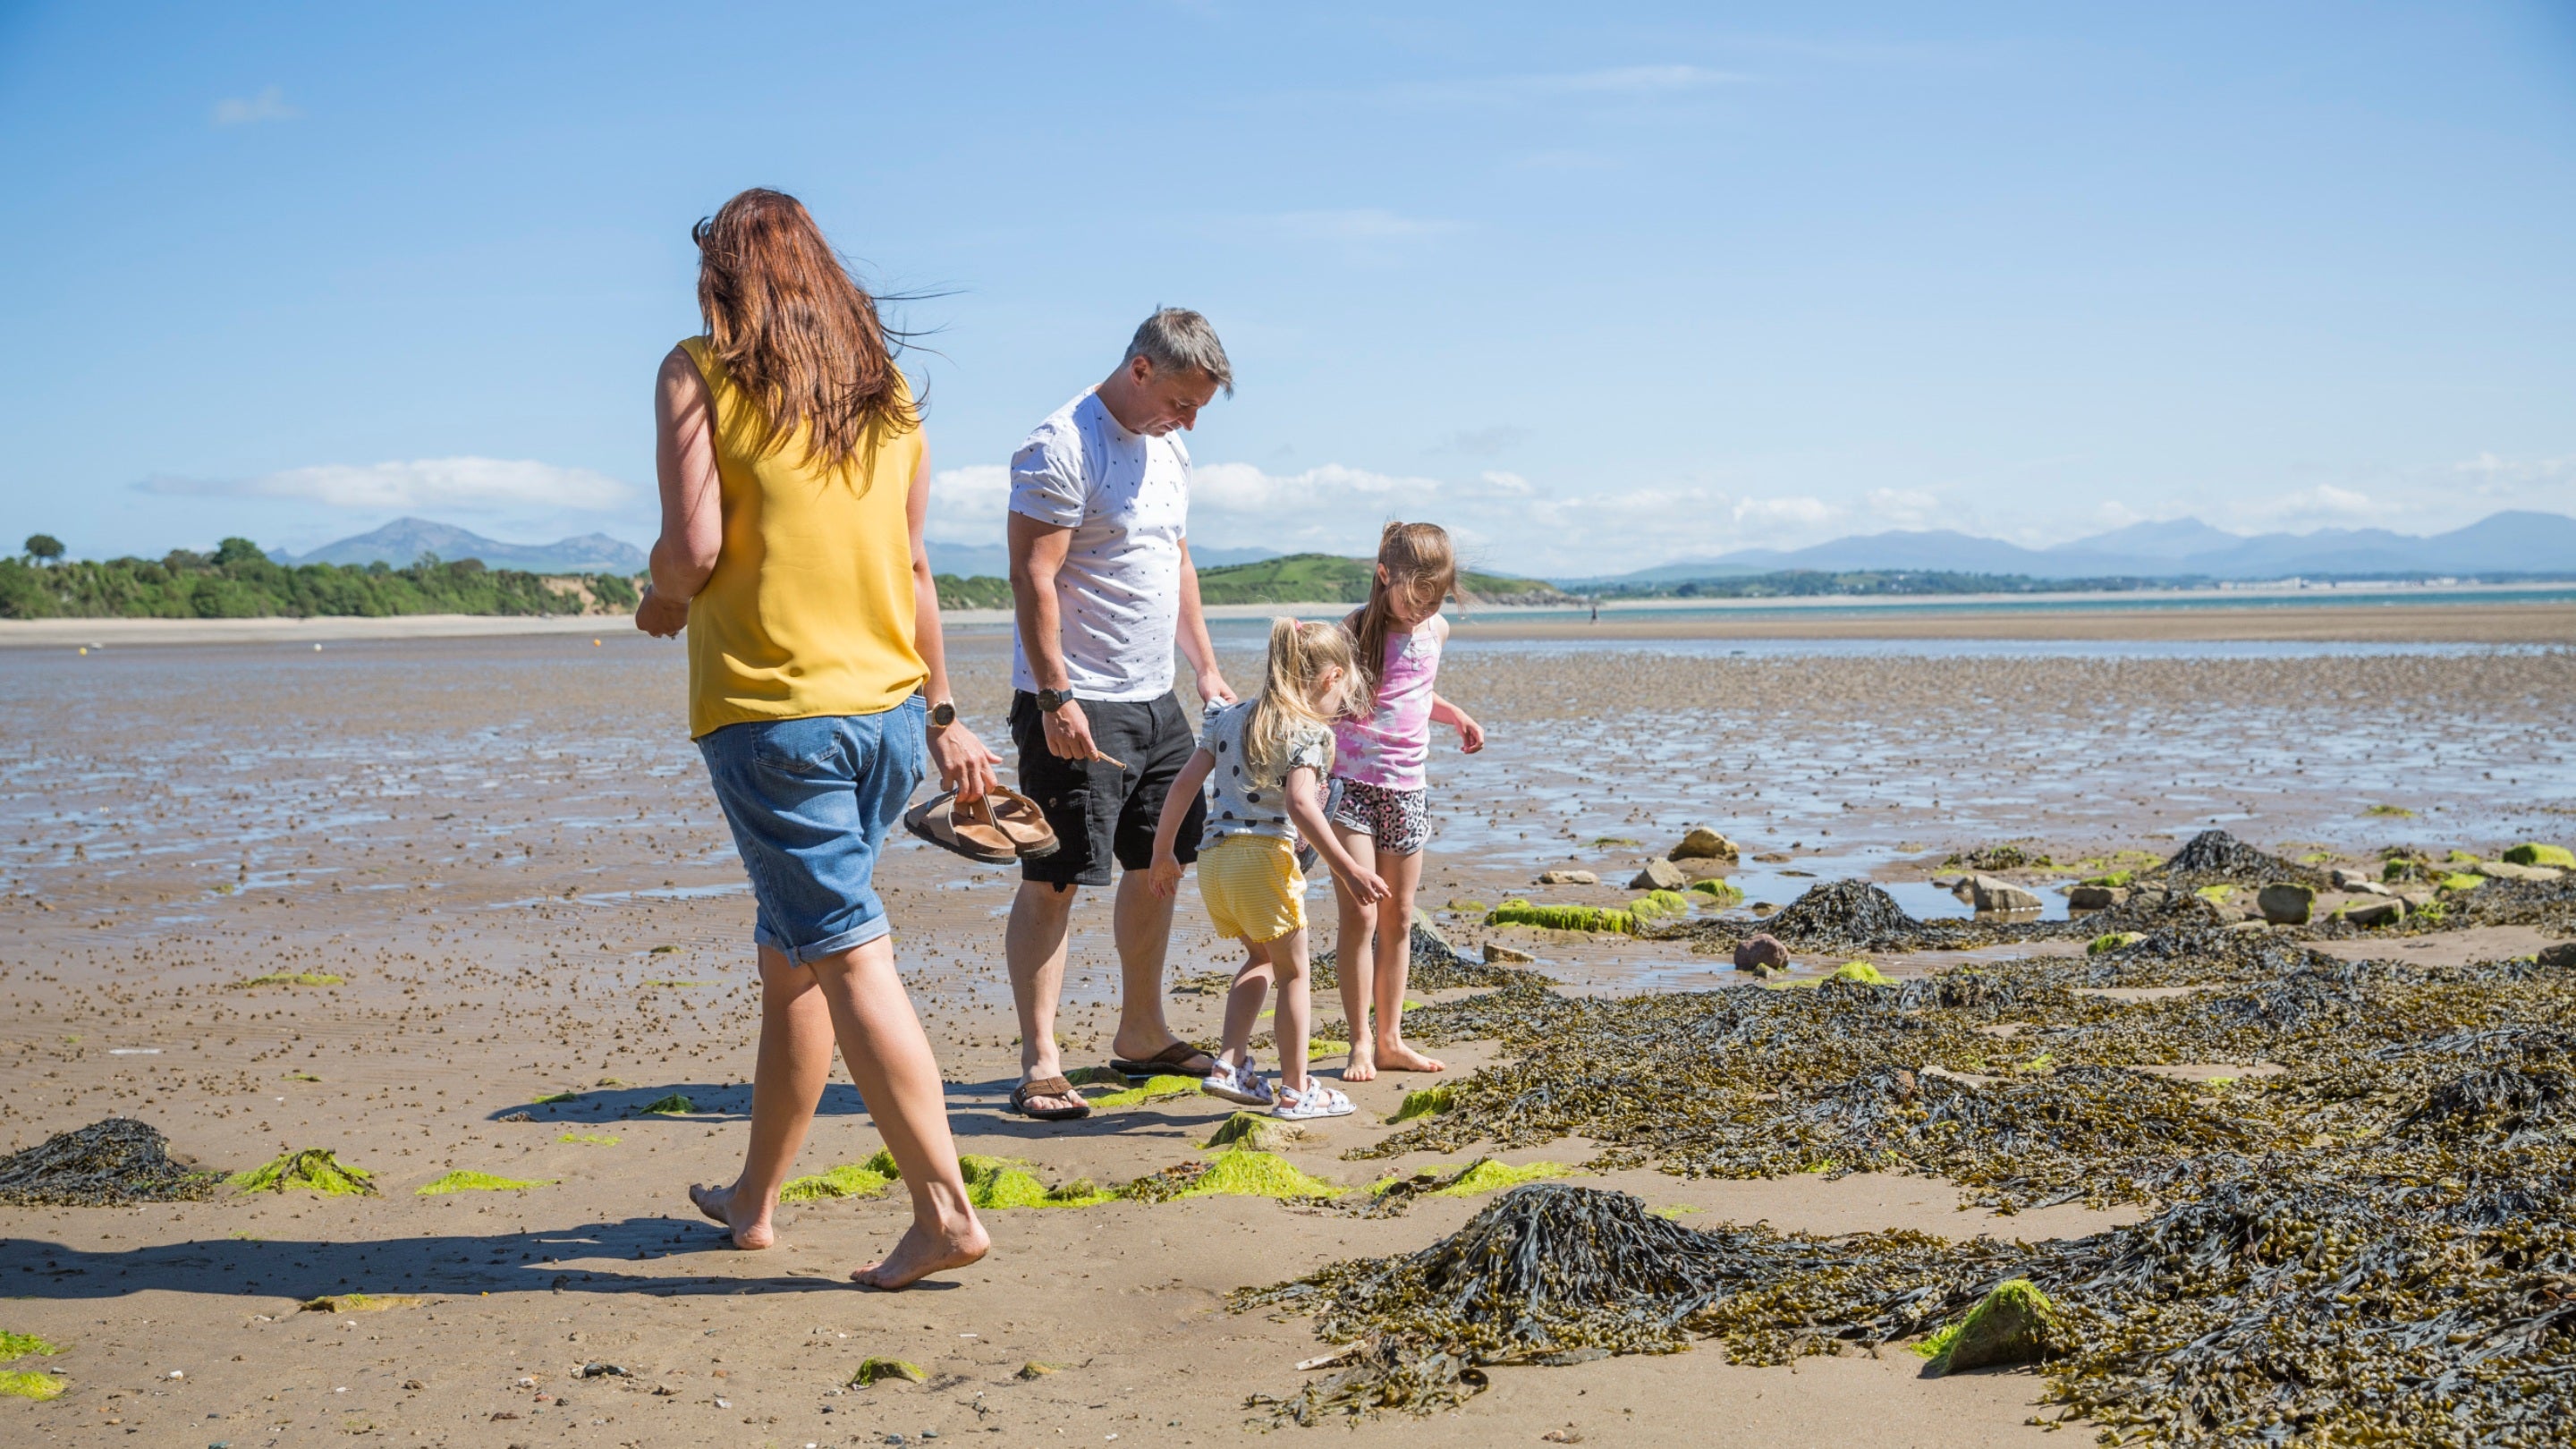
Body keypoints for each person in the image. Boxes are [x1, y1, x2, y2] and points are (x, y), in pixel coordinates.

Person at [634, 188, 996, 1290]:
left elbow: (694, 547)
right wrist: (942, 714)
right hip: (888, 714)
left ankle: (944, 1211)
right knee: (793, 953)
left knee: (843, 950)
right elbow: (917, 568)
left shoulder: (697, 368)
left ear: (727, 279)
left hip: (775, 715)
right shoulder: (888, 400)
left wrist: (659, 602)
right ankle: (753, 1199)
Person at [1001, 309, 1240, 1120]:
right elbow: (1034, 579)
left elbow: (1175, 560)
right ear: (1139, 369)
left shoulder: (1171, 446)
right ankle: (1041, 1063)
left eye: (1201, 407)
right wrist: (1055, 696)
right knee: (1057, 877)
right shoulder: (1059, 445)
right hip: (1078, 699)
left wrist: (1204, 669)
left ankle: (1141, 1033)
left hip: (1155, 698)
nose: (1191, 420)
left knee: (1159, 867)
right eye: (1182, 399)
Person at [1148, 619, 1388, 1118]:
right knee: (1294, 973)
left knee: (1260, 957)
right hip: (1263, 861)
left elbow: (1184, 785)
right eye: (1342, 691)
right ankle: (1298, 1090)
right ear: (1330, 677)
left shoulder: (1229, 717)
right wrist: (1348, 869)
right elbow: (1302, 804)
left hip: (1215, 860)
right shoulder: (1307, 731)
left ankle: (1228, 1066)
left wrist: (1163, 851)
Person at [1328, 521, 1487, 1082]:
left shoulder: (1436, 631)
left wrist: (1457, 715)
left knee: (1397, 917)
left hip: (1407, 791)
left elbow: (1415, 691)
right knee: (1361, 915)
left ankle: (1392, 1038)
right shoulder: (1351, 629)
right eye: (1415, 598)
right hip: (1349, 789)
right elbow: (1320, 702)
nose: (1422, 611)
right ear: (1384, 576)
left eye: (1435, 600)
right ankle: (1359, 1042)